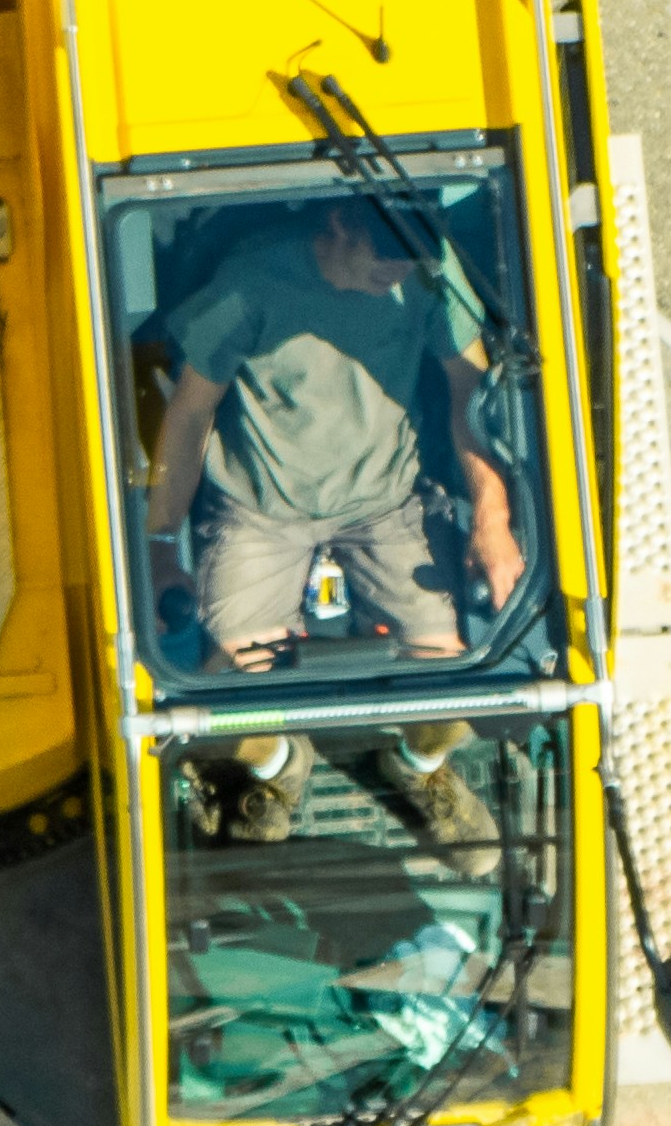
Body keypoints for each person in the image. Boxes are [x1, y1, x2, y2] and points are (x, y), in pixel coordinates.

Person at [148, 196, 526, 845]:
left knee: (458, 671)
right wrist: (159, 544)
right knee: (219, 687)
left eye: (408, 265)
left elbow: (470, 404)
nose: (396, 278)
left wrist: (492, 520)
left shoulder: (431, 276)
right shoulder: (249, 283)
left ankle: (416, 767)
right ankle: (278, 766)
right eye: (383, 262)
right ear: (338, 224)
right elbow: (188, 415)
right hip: (261, 511)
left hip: (385, 505)